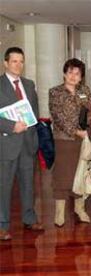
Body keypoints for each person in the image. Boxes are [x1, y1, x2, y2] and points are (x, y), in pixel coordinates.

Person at [0, 47, 43, 241]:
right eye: (14, 61)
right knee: (4, 187)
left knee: (28, 186)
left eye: (21, 61)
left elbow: (34, 112)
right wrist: (11, 126)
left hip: (27, 144)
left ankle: (29, 218)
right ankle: (2, 225)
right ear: (5, 63)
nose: (18, 65)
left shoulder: (29, 84)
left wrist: (34, 139)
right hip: (6, 144)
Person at [49, 58, 91, 227]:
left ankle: (79, 208)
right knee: (63, 175)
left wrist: (89, 129)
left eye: (77, 73)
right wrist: (77, 131)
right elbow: (58, 117)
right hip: (64, 139)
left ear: (81, 77)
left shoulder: (85, 91)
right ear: (64, 73)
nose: (73, 76)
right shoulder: (55, 92)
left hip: (84, 140)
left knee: (81, 174)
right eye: (70, 72)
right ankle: (60, 212)